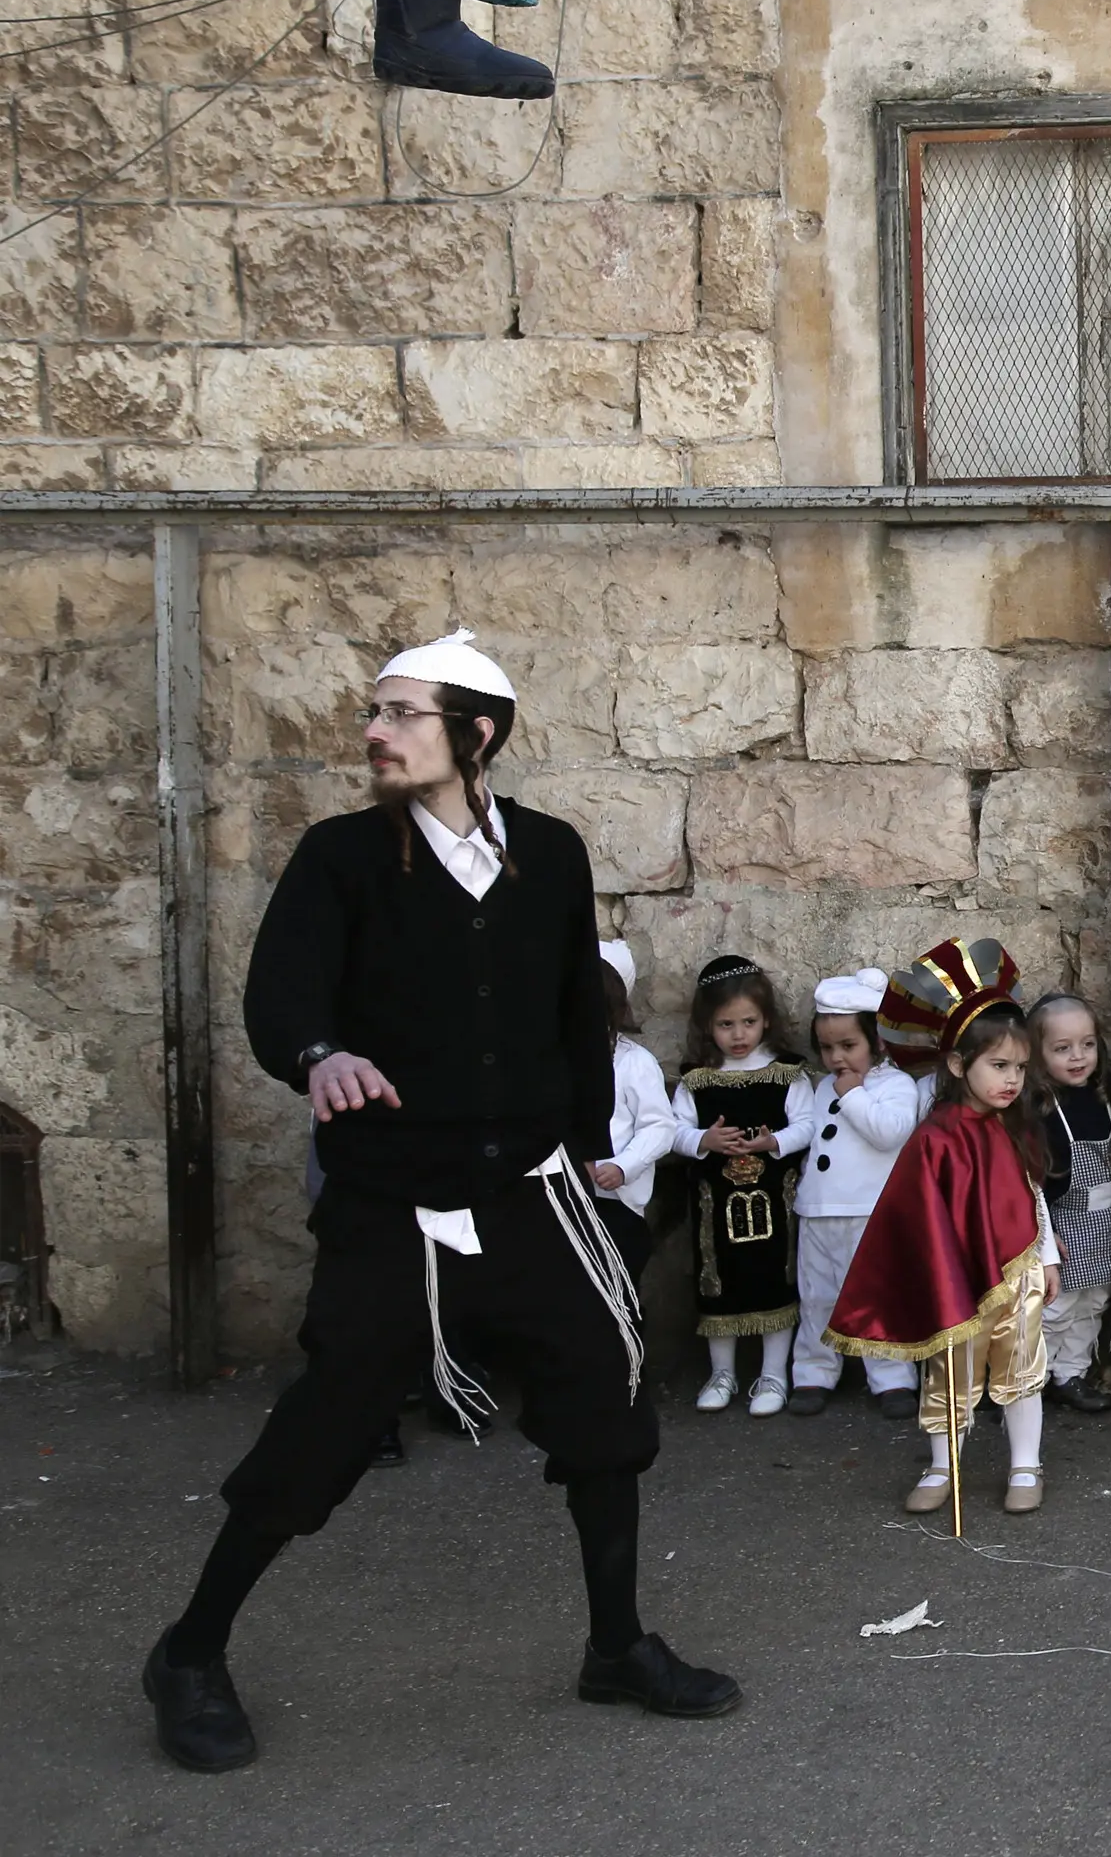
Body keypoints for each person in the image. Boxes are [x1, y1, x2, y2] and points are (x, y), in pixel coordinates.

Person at [144, 629, 735, 1775]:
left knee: (606, 1410)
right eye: (374, 711)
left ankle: (615, 1645)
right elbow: (282, 994)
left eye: (403, 713)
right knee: (330, 1424)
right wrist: (317, 1054)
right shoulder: (340, 858)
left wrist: (587, 1175)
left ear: (479, 734)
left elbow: (577, 1020)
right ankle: (189, 1651)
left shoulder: (552, 856)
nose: (375, 730)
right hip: (396, 1204)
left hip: (536, 1196)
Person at [831, 938, 1063, 1516]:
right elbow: (917, 1215)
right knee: (951, 1371)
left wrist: (1050, 1256)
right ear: (960, 1065)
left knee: (1021, 1365)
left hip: (1019, 1270)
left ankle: (1026, 1465)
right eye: (999, 1066)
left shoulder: (1017, 1127)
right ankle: (942, 1464)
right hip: (956, 1277)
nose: (1012, 1080)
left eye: (1019, 1068)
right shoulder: (934, 1137)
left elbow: (1033, 1194)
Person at [782, 969, 922, 1420]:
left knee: (878, 1294)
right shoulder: (822, 1086)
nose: (837, 1058)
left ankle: (892, 1377)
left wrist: (855, 1095)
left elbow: (891, 1133)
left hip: (872, 1212)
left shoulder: (895, 1086)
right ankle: (814, 1370)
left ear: (877, 1042)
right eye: (827, 1048)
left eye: (848, 1046)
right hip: (820, 1211)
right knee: (818, 1296)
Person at [670, 955, 806, 1416]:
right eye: (726, 1024)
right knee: (718, 1280)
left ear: (766, 1020)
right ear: (708, 1025)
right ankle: (722, 1371)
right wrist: (702, 1140)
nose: (739, 1034)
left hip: (774, 1205)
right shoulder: (696, 1080)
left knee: (775, 1277)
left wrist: (776, 1141)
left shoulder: (787, 1072)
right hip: (716, 1211)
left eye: (749, 1022)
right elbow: (671, 1129)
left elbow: (807, 1124)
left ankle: (774, 1373)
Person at [1029, 992, 1111, 1414]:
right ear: (1037, 1054)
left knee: (1094, 1303)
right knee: (1055, 1308)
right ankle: (1033, 1379)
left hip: (1103, 1226)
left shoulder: (1109, 1097)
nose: (1077, 1057)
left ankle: (1072, 1373)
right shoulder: (1039, 1110)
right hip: (1062, 1229)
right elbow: (1027, 1181)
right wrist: (1041, 1235)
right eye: (1062, 1048)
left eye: (1087, 1045)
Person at [587, 939, 673, 1279]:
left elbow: (659, 1127)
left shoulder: (634, 1063)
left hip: (614, 1205)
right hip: (561, 1204)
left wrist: (623, 1166)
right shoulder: (552, 1063)